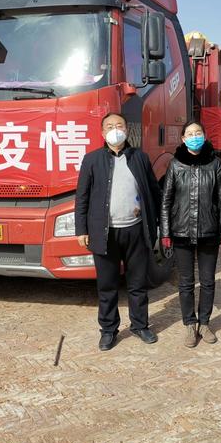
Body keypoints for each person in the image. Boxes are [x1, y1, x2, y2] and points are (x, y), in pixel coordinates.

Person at [75, 113, 161, 351]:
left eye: (119, 125)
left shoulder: (140, 157)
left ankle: (140, 325)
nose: (115, 130)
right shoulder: (92, 160)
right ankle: (108, 330)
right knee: (107, 285)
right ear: (103, 133)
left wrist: (157, 222)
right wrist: (81, 229)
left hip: (136, 230)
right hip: (105, 233)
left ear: (127, 130)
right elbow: (82, 197)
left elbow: (154, 191)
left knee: (137, 283)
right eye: (110, 126)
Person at [161, 121, 221, 348]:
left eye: (198, 132)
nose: (194, 137)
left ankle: (205, 323)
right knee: (186, 282)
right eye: (190, 134)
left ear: (204, 135)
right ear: (183, 139)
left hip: (209, 231)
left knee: (208, 281)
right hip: (181, 231)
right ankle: (190, 324)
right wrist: (166, 231)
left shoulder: (215, 163)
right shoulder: (175, 165)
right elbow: (166, 200)